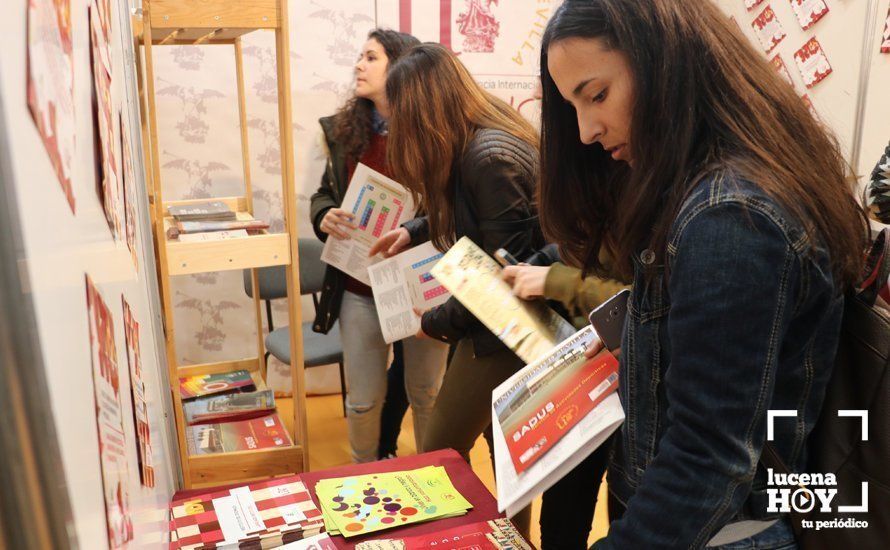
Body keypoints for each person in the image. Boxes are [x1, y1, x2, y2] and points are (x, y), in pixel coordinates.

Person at [538, 1, 869, 548]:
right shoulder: (710, 192)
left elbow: (708, 457)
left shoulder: (729, 218)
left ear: (665, 63)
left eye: (596, 95)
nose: (586, 131)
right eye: (573, 105)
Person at [369, 43, 542, 536]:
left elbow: (499, 274)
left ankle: (479, 540)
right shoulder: (479, 145)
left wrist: (433, 322)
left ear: (420, 107)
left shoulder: (487, 158)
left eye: (396, 112)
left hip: (509, 328)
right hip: (504, 323)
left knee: (439, 452)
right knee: (507, 453)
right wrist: (416, 228)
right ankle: (512, 540)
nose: (392, 124)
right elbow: (489, 222)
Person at [309, 29, 449, 464]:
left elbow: (457, 206)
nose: (359, 65)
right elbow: (323, 193)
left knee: (427, 394)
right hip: (358, 288)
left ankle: (432, 479)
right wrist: (324, 214)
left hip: (420, 288)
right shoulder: (344, 133)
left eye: (371, 57)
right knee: (363, 400)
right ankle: (363, 477)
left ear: (401, 66)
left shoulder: (436, 131)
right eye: (360, 57)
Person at [503, 248, 627, 548]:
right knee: (561, 518)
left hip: (638, 379)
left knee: (624, 512)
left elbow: (652, 295)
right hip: (588, 365)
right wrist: (543, 263)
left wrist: (557, 280)